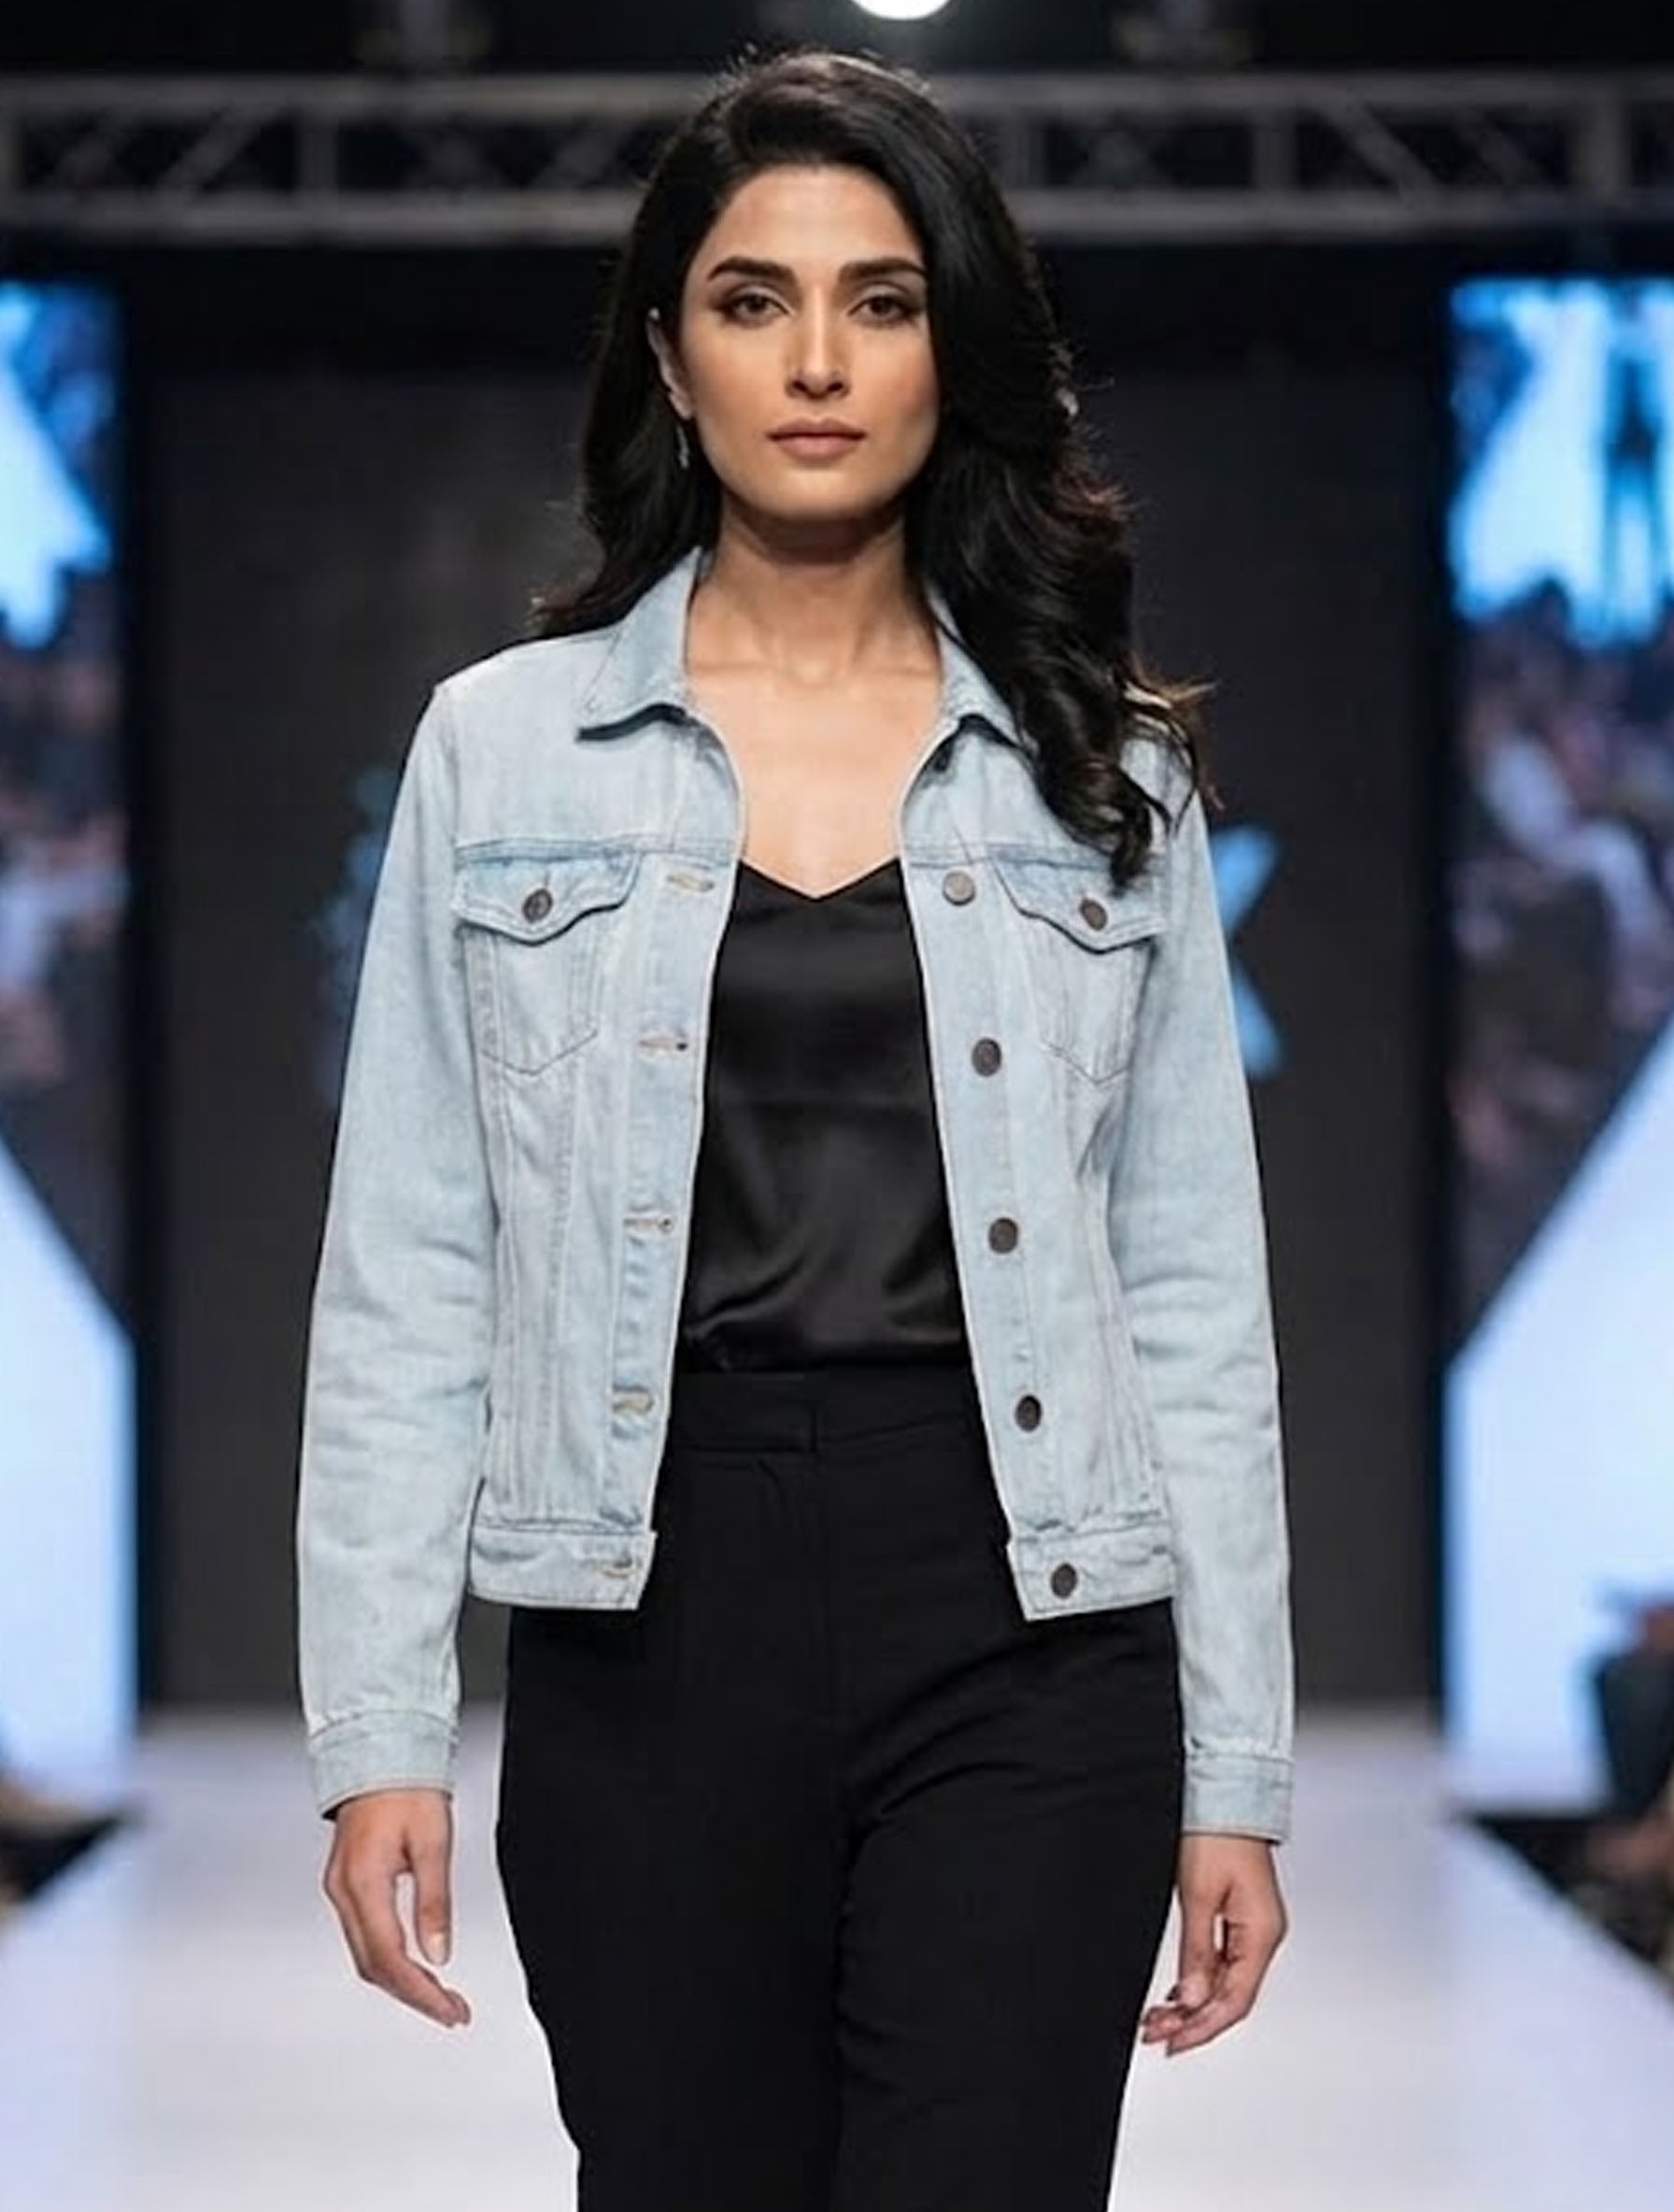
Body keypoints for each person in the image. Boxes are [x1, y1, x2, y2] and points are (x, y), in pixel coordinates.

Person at [295, 45, 1295, 2211]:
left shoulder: (1101, 771)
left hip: (1029, 1608)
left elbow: (1188, 1291)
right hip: (651, 1607)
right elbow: (410, 1271)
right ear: (669, 358)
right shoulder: (501, 751)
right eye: (753, 300)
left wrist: (1232, 1765)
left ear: (953, 348)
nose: (818, 360)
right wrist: (376, 1730)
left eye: (881, 298)